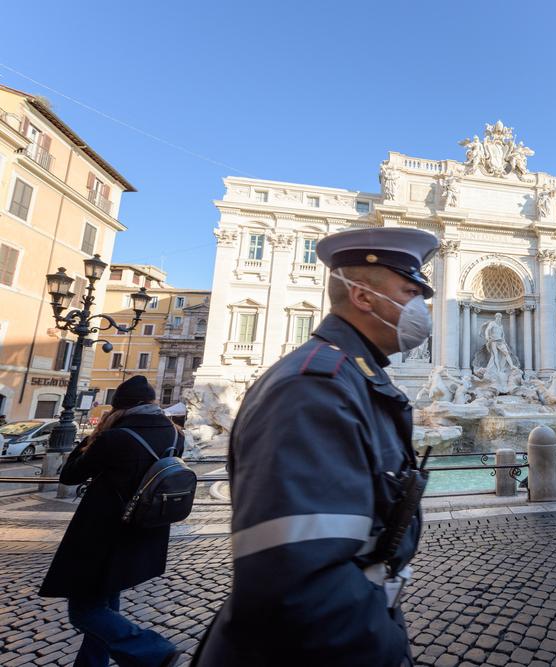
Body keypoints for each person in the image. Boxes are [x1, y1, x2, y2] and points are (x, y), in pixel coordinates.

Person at [194, 227, 439, 666]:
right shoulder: (314, 387)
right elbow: (299, 580)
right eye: (410, 291)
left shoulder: (353, 377)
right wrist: (386, 649)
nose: (421, 307)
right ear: (363, 297)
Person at [39, 375, 183, 667]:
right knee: (106, 603)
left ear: (119, 407)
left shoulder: (115, 438)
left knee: (85, 611)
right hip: (141, 533)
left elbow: (70, 476)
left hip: (101, 535)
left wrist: (90, 440)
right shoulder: (176, 435)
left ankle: (153, 650)